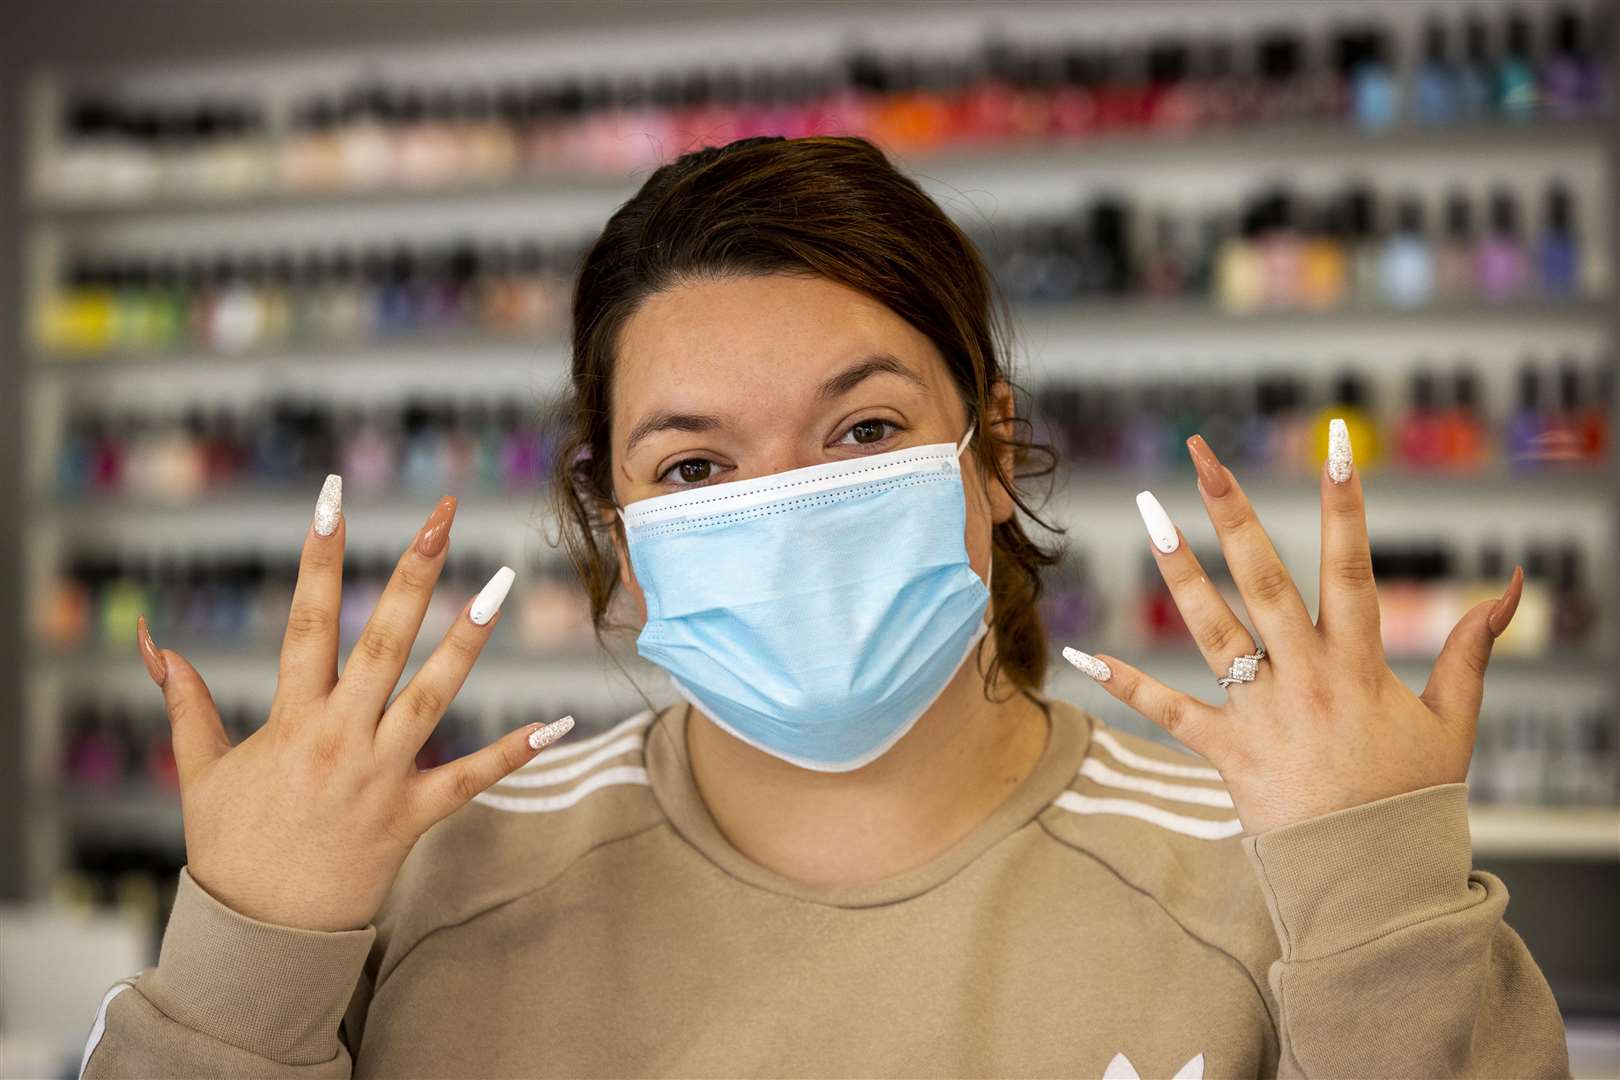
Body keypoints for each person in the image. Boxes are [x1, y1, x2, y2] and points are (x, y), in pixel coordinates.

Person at [80, 136, 1569, 1079]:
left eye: (862, 433)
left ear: (988, 452)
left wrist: (1380, 904)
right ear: (618, 517)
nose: (784, 502)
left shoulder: (1261, 891)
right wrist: (248, 960)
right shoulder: (431, 887)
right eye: (696, 462)